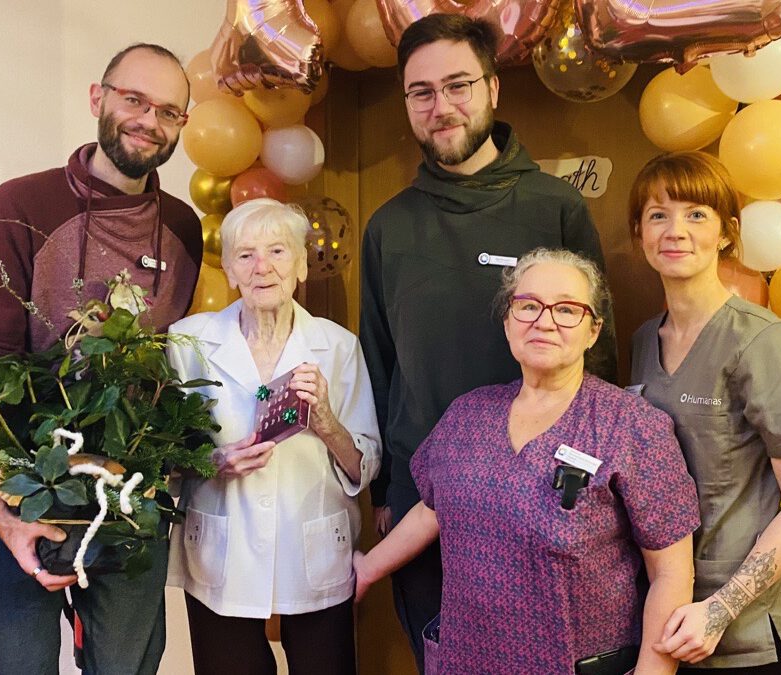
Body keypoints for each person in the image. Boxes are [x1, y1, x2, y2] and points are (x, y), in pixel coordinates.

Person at [359, 14, 615, 668]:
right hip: (425, 509)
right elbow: (378, 364)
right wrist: (387, 492)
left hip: (544, 511)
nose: (440, 107)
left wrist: (585, 493)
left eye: (457, 85)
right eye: (421, 92)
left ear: (493, 89)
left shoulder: (554, 208)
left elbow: (600, 360)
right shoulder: (388, 227)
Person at [0, 43, 201, 674]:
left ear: (182, 124)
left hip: (128, 500)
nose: (149, 120)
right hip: (21, 492)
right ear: (99, 98)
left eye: (169, 110)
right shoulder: (21, 204)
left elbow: (169, 367)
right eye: (133, 100)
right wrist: (7, 508)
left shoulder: (182, 224)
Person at [355, 248, 699, 674]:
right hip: (467, 661)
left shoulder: (631, 428)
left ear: (594, 330)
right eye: (528, 305)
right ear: (507, 321)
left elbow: (671, 573)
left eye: (567, 309)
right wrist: (368, 569)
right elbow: (433, 509)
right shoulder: (467, 416)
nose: (545, 320)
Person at [628, 152, 781, 673]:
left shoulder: (760, 341)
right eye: (658, 215)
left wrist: (719, 611)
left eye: (696, 214)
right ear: (640, 233)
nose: (676, 230)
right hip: (661, 621)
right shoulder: (642, 342)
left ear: (725, 233)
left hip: (742, 639)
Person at [166, 198, 381, 675]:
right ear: (231, 271)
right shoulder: (188, 343)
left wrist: (324, 420)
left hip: (316, 546)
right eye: (246, 255)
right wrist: (212, 461)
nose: (263, 267)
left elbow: (364, 465)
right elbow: (163, 456)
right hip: (222, 548)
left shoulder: (339, 345)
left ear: (302, 265)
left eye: (279, 251)